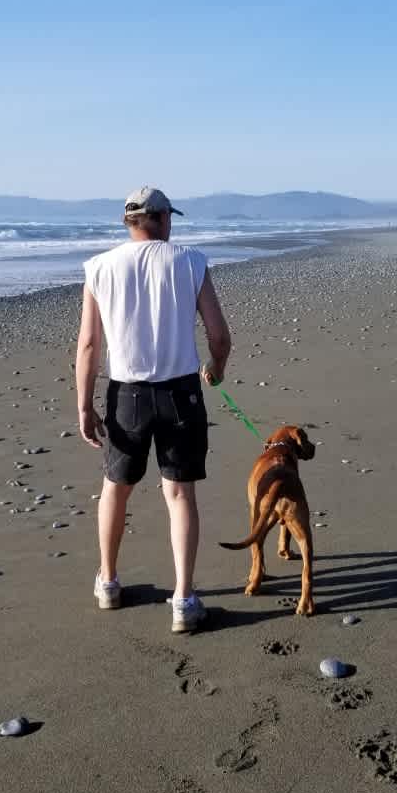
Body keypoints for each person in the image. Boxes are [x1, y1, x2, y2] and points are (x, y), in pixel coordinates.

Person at [75, 186, 232, 634]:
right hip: (180, 390)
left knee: (115, 488)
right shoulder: (189, 261)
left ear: (130, 222)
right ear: (162, 219)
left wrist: (84, 404)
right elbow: (219, 336)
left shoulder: (100, 267)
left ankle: (108, 581)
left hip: (127, 393)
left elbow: (89, 345)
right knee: (179, 494)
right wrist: (216, 368)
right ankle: (183, 599)